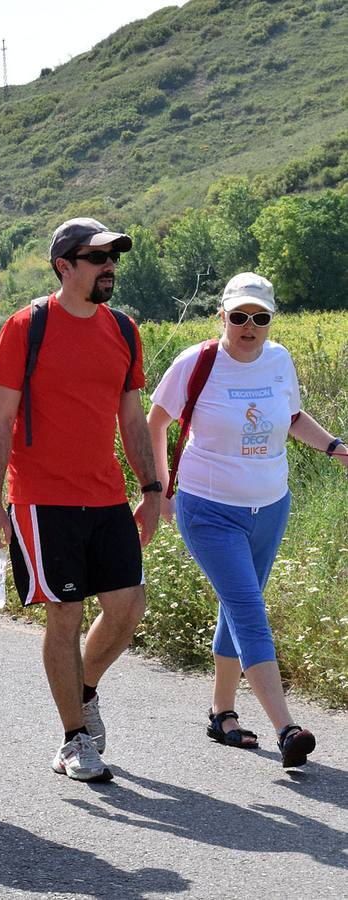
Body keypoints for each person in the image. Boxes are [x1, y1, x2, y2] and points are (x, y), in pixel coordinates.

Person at [0, 217, 161, 783]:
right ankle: (74, 739)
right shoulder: (26, 327)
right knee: (66, 612)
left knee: (129, 605)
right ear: (65, 266)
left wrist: (153, 491)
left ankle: (82, 691)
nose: (110, 268)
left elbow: (132, 419)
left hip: (106, 496)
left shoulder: (125, 331)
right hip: (39, 498)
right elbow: (2, 420)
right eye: (98, 257)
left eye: (114, 258)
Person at [148, 272, 345, 768]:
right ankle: (287, 728)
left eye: (260, 318)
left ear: (271, 321)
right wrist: (160, 489)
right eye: (239, 317)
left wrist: (335, 447)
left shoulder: (279, 360)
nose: (249, 327)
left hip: (270, 506)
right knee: (248, 608)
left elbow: (294, 417)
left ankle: (222, 713)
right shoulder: (197, 363)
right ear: (223, 317)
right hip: (208, 508)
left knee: (237, 606)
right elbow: (155, 421)